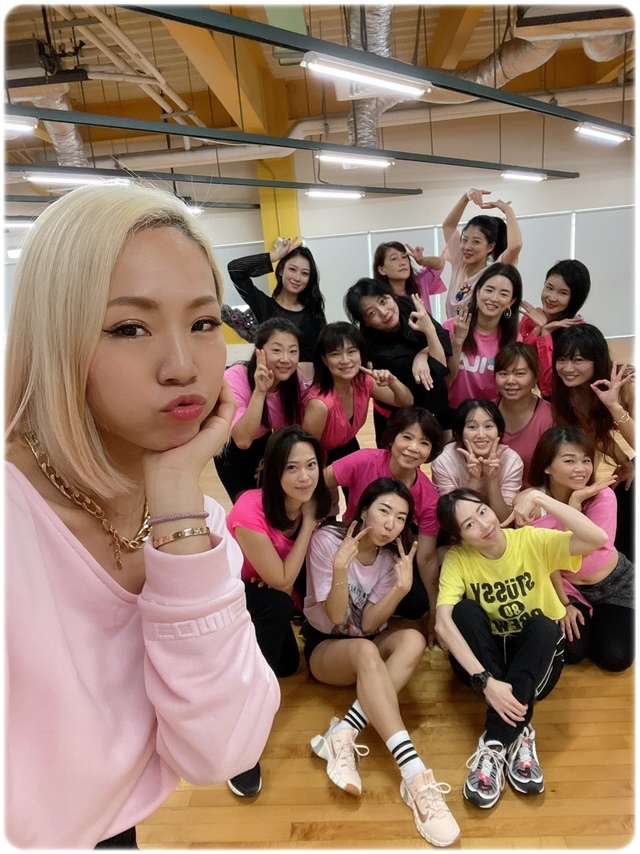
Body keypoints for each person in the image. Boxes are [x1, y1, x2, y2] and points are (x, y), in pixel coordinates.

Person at [4, 184, 280, 848]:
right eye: (130, 328)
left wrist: (179, 495)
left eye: (204, 323)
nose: (183, 366)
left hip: (116, 827)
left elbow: (221, 752)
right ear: (58, 338)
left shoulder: (197, 527)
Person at [303, 479, 460, 847]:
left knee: (413, 640)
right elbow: (337, 616)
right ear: (363, 510)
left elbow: (371, 623)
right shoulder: (328, 541)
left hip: (366, 644)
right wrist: (340, 570)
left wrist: (400, 590)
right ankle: (414, 774)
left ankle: (344, 731)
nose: (391, 524)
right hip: (327, 648)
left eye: (401, 518)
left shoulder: (391, 559)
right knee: (365, 651)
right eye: (384, 511)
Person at [435, 487, 607, 810]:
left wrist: (540, 499)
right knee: (463, 612)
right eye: (469, 524)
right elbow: (443, 624)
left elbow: (596, 538)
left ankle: (494, 743)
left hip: (536, 659)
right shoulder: (458, 559)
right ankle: (521, 730)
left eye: (482, 511)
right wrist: (486, 682)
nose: (484, 524)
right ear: (460, 537)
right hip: (487, 666)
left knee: (543, 624)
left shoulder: (530, 539)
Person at [225, 425, 332, 798]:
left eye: (311, 465)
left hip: (266, 591)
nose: (305, 477)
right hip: (230, 592)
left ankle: (246, 666)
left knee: (287, 666)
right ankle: (244, 729)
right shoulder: (249, 510)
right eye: (292, 467)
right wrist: (309, 524)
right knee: (276, 603)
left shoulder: (314, 500)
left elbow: (289, 574)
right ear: (272, 471)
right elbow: (283, 580)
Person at [325, 406, 444, 644]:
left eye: (424, 443)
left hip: (387, 552)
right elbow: (320, 481)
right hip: (350, 542)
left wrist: (435, 609)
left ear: (431, 451)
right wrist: (321, 518)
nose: (413, 448)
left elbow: (427, 558)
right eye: (407, 437)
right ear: (392, 438)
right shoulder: (364, 460)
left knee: (416, 603)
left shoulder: (429, 497)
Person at [527, 426, 634, 672]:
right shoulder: (533, 503)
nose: (581, 468)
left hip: (614, 583)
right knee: (573, 651)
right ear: (547, 466)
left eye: (586, 460)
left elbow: (585, 546)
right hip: (568, 588)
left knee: (615, 658)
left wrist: (574, 504)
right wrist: (563, 603)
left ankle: (604, 622)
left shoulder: (603, 496)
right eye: (569, 460)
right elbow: (543, 561)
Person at [552, 323, 635, 560]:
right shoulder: (569, 393)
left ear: (596, 361)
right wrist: (625, 462)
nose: (568, 368)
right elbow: (594, 436)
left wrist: (614, 407)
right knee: (618, 495)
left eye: (578, 360)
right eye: (562, 360)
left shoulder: (626, 384)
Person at [345, 278, 452, 442]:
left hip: (436, 402)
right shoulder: (373, 348)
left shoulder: (406, 305)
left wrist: (422, 354)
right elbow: (437, 368)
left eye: (383, 301)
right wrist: (430, 336)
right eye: (372, 313)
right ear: (365, 322)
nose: (384, 312)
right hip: (400, 417)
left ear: (391, 295)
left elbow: (443, 337)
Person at [302, 321, 413, 475]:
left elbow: (407, 401)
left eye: (351, 351)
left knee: (362, 484)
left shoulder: (364, 382)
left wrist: (392, 381)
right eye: (335, 354)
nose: (345, 360)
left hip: (347, 443)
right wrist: (320, 479)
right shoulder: (319, 404)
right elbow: (306, 449)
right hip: (317, 453)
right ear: (325, 360)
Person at [214, 318, 304, 502]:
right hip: (232, 449)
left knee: (277, 502)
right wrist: (260, 391)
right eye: (277, 350)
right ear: (259, 351)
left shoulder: (294, 380)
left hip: (266, 440)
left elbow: (291, 427)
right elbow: (242, 440)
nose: (286, 359)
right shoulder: (234, 379)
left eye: (293, 351)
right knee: (249, 506)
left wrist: (274, 458)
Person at [227, 237, 326, 375]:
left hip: (310, 382)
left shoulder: (314, 311)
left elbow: (323, 353)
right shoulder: (264, 305)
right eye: (292, 269)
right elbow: (235, 269)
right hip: (272, 382)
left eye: (304, 273)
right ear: (280, 270)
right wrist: (274, 256)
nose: (297, 278)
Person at [442, 262, 523, 410]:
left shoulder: (514, 339)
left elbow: (510, 388)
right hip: (452, 412)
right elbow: (446, 380)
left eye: (503, 294)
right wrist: (458, 341)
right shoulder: (450, 327)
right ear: (478, 291)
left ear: (511, 302)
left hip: (491, 415)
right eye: (489, 290)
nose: (494, 298)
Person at [431, 399, 523, 523]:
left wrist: (493, 480)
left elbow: (505, 521)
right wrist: (473, 479)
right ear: (459, 433)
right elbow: (453, 520)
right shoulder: (444, 461)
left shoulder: (512, 461)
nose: (481, 435)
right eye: (472, 427)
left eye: (488, 426)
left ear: (499, 432)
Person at [441, 188, 523, 318]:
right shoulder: (460, 263)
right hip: (450, 331)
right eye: (464, 240)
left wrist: (508, 210)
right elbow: (448, 226)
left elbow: (515, 246)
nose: (467, 247)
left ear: (490, 247)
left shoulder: (495, 272)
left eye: (476, 242)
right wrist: (466, 196)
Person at [519, 259, 592, 397]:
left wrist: (545, 335)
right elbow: (516, 362)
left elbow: (549, 387)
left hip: (566, 401)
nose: (552, 297)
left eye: (563, 293)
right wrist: (537, 329)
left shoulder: (577, 332)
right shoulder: (531, 319)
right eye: (549, 288)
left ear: (575, 298)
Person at [494, 342, 555, 487]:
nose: (510, 381)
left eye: (519, 374)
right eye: (503, 374)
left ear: (535, 377)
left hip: (535, 496)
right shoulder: (484, 412)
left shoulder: (551, 417)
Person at [373, 239, 446, 315]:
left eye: (404, 257)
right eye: (394, 258)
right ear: (381, 270)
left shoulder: (419, 281)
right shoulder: (381, 301)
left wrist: (422, 260)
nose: (402, 262)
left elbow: (440, 264)